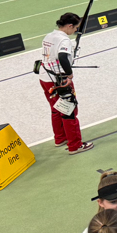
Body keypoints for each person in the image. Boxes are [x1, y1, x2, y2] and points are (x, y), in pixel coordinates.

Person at [38, 11, 94, 155]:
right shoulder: (64, 40)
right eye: (75, 28)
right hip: (59, 81)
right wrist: (69, 74)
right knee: (69, 111)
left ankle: (60, 138)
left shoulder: (49, 36)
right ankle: (75, 145)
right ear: (69, 26)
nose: (75, 30)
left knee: (56, 109)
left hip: (45, 78)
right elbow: (63, 57)